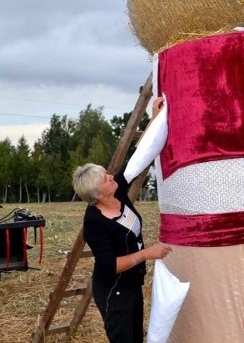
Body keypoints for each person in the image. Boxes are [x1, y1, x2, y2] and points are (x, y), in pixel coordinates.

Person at [72, 97, 173, 343]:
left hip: (131, 285)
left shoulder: (116, 191)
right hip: (113, 292)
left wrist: (154, 120)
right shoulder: (94, 223)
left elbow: (137, 159)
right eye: (104, 178)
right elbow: (109, 265)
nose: (110, 176)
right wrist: (147, 253)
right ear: (97, 195)